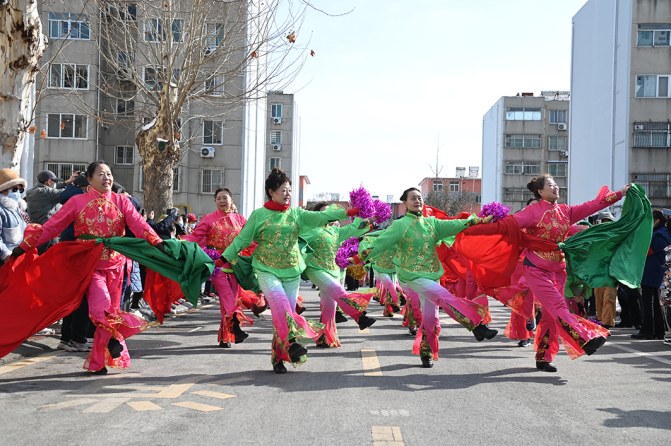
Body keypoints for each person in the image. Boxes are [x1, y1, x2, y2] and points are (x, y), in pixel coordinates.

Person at [13, 161, 164, 375]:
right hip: (89, 265)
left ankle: (97, 363)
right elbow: (52, 226)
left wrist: (157, 241)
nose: (106, 178)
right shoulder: (77, 202)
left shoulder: (122, 201)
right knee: (100, 309)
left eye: (109, 173)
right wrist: (24, 247)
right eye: (101, 174)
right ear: (90, 179)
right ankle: (113, 339)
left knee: (111, 312)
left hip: (117, 265)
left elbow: (138, 223)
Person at [223, 168, 357, 374]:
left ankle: (279, 357)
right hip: (267, 270)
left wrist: (348, 212)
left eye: (290, 190)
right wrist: (225, 256)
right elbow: (242, 239)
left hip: (292, 270)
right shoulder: (259, 215)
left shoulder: (296, 214)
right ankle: (292, 343)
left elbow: (321, 217)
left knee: (284, 313)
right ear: (271, 192)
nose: (287, 194)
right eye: (283, 190)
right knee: (281, 306)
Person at [361, 187, 493, 368]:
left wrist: (480, 220)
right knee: (444, 296)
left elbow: (457, 224)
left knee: (432, 320)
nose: (417, 201)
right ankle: (476, 326)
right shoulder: (400, 225)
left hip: (431, 275)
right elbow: (381, 242)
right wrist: (357, 257)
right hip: (411, 276)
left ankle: (426, 352)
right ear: (405, 203)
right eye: (413, 198)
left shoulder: (432, 223)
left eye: (420, 198)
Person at [509, 175, 628, 372]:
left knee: (550, 315)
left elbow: (594, 204)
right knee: (558, 307)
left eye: (556, 185)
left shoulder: (565, 211)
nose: (555, 188)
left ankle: (543, 358)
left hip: (558, 270)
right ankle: (583, 338)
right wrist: (484, 222)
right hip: (536, 268)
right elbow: (509, 224)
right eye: (550, 185)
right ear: (540, 191)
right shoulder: (532, 211)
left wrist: (620, 193)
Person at [183, 188, 253, 348]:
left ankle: (225, 337)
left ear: (231, 200)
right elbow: (195, 236)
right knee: (227, 297)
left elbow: (250, 239)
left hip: (236, 266)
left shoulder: (241, 220)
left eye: (225, 198)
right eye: (219, 198)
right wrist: (180, 242)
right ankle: (235, 325)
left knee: (229, 301)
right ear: (215, 202)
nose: (222, 201)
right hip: (217, 265)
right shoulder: (209, 219)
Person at [300, 202, 375, 348]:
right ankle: (359, 317)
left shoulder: (335, 232)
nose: (331, 216)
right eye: (325, 213)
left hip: (333, 270)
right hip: (316, 270)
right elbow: (297, 241)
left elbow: (354, 228)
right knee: (339, 291)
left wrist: (363, 216)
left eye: (332, 213)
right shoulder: (311, 230)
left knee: (330, 308)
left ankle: (324, 338)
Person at [56, 173, 93, 352]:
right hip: (80, 254)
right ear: (88, 186)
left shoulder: (67, 198)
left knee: (72, 297)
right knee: (82, 298)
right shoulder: (82, 201)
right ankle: (77, 338)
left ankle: (66, 338)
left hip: (66, 251)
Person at [631, 209, 671, 340]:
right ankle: (655, 331)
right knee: (653, 304)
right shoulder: (658, 233)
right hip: (654, 273)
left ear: (657, 220)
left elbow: (648, 251)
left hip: (655, 274)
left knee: (652, 304)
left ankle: (649, 331)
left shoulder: (660, 234)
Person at [25, 169, 79, 252]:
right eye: (54, 182)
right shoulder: (44, 192)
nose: (55, 184)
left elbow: (54, 189)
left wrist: (66, 182)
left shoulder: (33, 191)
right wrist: (78, 184)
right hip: (47, 236)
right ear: (49, 182)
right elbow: (67, 194)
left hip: (37, 233)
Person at [0, 169, 28, 266]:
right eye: (15, 189)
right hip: (5, 261)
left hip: (19, 258)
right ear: (3, 190)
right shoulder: (1, 210)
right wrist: (5, 255)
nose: (18, 193)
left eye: (21, 189)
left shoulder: (18, 209)